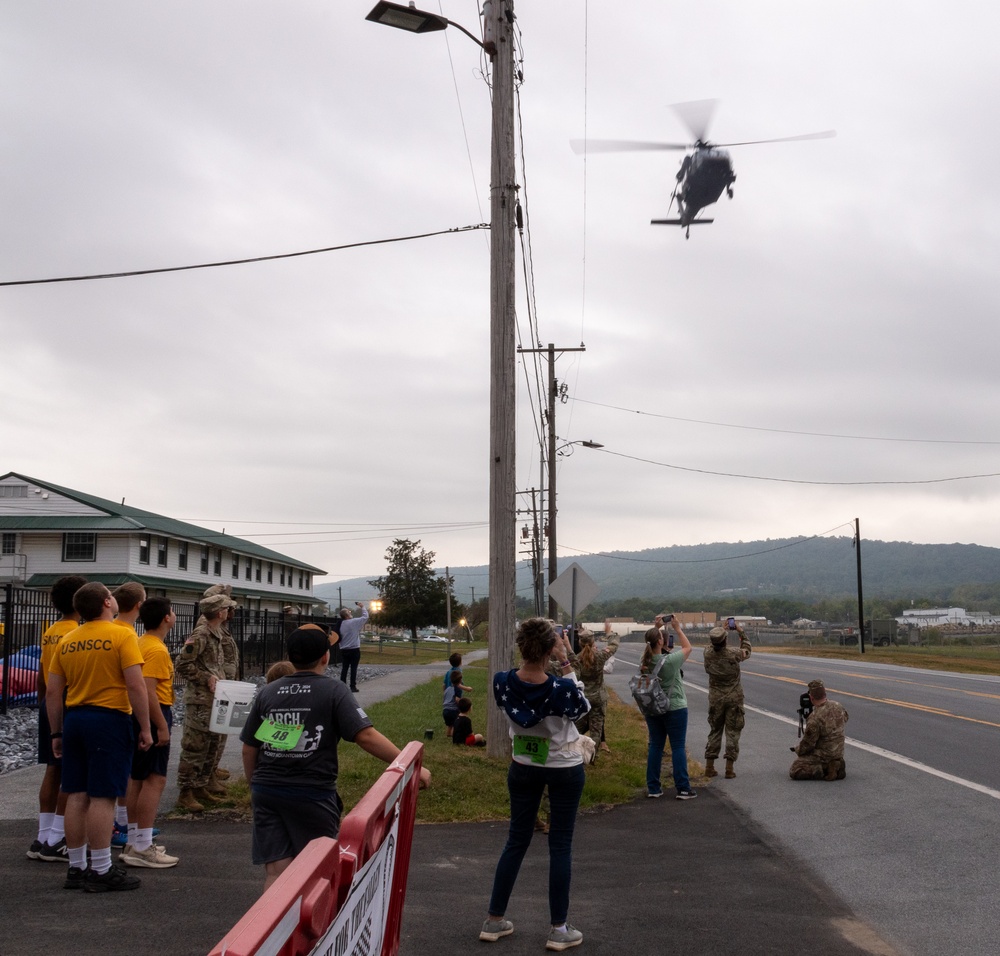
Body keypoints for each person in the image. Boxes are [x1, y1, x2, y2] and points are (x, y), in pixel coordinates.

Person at [240, 624, 431, 891]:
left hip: (266, 790)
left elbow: (250, 748)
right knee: (319, 867)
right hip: (311, 793)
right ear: (325, 656)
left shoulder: (268, 692)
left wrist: (255, 786)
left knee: (275, 870)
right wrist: (409, 764)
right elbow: (365, 736)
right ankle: (319, 930)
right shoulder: (333, 690)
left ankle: (275, 930)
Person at [481, 618, 590, 952]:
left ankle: (495, 920)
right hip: (563, 766)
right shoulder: (562, 689)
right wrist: (566, 661)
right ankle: (558, 928)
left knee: (516, 840)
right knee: (560, 844)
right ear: (549, 650)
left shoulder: (502, 682)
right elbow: (582, 709)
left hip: (524, 764)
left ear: (521, 646)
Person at [45, 582, 152, 893]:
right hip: (108, 718)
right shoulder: (123, 635)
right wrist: (144, 726)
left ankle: (76, 867)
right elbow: (135, 686)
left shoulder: (68, 639)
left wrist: (56, 731)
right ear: (107, 602)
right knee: (103, 796)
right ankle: (102, 867)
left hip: (75, 718)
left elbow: (53, 691)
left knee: (76, 793)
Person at [28, 574, 87, 863]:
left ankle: (42, 836)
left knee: (52, 769)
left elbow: (42, 673)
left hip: (49, 702)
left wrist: (44, 704)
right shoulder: (76, 633)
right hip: (69, 701)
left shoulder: (51, 630)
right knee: (70, 772)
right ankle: (58, 837)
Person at [120, 597, 178, 869]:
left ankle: (134, 840)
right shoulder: (156, 649)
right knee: (155, 780)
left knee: (138, 778)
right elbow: (148, 689)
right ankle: (143, 846)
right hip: (155, 714)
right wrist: (161, 725)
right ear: (166, 617)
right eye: (172, 611)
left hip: (138, 714)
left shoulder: (140, 642)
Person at [174, 590, 237, 812]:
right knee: (194, 746)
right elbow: (182, 664)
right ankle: (185, 792)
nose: (229, 611)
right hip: (200, 700)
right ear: (220, 612)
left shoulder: (216, 632)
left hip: (214, 698)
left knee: (211, 742)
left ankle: (201, 786)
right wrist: (205, 677)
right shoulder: (201, 635)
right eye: (227, 608)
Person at [641, 615, 696, 800]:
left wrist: (655, 628)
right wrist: (678, 629)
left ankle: (653, 788)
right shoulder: (671, 661)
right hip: (675, 707)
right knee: (677, 746)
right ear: (660, 640)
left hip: (653, 708)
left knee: (655, 745)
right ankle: (682, 787)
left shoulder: (645, 662)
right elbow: (688, 648)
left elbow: (649, 649)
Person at [110, 582, 147, 847]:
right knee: (122, 773)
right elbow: (136, 681)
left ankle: (122, 822)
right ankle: (120, 824)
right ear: (139, 605)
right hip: (122, 708)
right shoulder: (127, 635)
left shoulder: (113, 630)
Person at [703, 622, 752, 779]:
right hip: (734, 698)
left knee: (715, 731)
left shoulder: (707, 653)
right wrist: (741, 632)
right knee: (732, 732)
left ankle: (709, 767)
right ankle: (729, 769)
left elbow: (712, 644)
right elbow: (747, 650)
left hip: (716, 698)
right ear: (725, 640)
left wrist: (720, 630)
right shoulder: (734, 654)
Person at [200, 584, 239, 787]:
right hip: (214, 687)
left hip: (224, 684)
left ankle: (212, 769)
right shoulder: (206, 627)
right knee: (211, 735)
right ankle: (206, 775)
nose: (231, 610)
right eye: (227, 605)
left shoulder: (220, 625)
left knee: (220, 732)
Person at [571, 623, 620, 751]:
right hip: (598, 697)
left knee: (578, 727)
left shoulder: (576, 660)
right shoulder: (600, 656)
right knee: (596, 729)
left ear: (580, 642)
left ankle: (576, 751)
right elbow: (614, 645)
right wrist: (609, 633)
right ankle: (592, 754)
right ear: (593, 641)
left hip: (583, 698)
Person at [789, 680, 849, 781]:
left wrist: (798, 750)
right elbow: (846, 718)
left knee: (795, 769)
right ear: (824, 693)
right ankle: (836, 763)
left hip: (823, 755)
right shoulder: (838, 706)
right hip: (838, 752)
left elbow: (808, 744)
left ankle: (824, 769)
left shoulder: (814, 718)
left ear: (811, 697)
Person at [337, 601, 369, 693]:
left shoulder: (341, 624)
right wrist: (362, 607)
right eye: (349, 612)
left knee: (344, 668)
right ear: (347, 615)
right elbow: (365, 617)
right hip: (354, 649)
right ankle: (353, 686)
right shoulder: (353, 622)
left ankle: (342, 686)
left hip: (344, 649)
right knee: (353, 668)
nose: (350, 613)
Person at [443, 668, 470, 737]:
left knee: (449, 725)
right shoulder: (458, 689)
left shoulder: (448, 688)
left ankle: (448, 734)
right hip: (453, 710)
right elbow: (457, 699)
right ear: (460, 680)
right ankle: (453, 735)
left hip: (445, 710)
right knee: (455, 724)